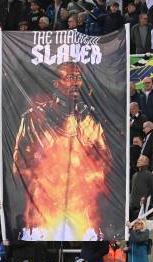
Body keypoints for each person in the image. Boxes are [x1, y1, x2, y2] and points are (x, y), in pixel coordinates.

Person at [12, 62, 110, 240]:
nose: (76, 83)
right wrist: (45, 181)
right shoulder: (33, 119)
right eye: (70, 77)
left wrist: (84, 182)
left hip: (81, 209)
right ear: (56, 83)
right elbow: (17, 165)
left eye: (79, 78)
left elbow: (105, 162)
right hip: (44, 209)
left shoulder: (91, 121)